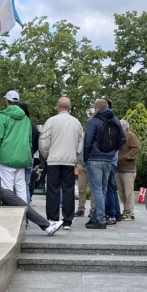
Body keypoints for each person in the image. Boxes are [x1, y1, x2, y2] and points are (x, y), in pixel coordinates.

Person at [38, 97, 83, 230]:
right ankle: (67, 220)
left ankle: (53, 218)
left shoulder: (51, 121)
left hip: (53, 160)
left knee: (53, 190)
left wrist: (47, 155)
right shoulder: (76, 123)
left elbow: (44, 143)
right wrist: (75, 154)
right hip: (69, 161)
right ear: (70, 108)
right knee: (68, 190)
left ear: (57, 107)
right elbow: (81, 144)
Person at [83, 98, 126, 229]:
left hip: (94, 159)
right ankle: (96, 216)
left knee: (96, 190)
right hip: (108, 160)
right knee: (103, 189)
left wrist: (86, 157)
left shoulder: (94, 121)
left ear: (96, 109)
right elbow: (122, 139)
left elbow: (87, 141)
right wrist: (112, 151)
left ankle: (100, 220)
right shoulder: (116, 121)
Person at [0, 90, 33, 201]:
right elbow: (29, 140)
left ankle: (9, 215)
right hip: (22, 157)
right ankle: (24, 214)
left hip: (6, 157)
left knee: (6, 188)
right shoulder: (26, 119)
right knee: (21, 187)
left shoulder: (1, 116)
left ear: (6, 101)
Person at [116, 120, 141, 220]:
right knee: (122, 194)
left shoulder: (130, 135)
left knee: (128, 192)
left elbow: (137, 148)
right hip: (119, 169)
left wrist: (127, 157)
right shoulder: (119, 136)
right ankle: (126, 211)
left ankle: (129, 213)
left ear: (125, 127)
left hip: (128, 169)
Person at [17, 102, 39, 203]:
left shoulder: (18, 126)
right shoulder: (33, 127)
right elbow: (36, 145)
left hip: (18, 157)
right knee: (26, 185)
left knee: (16, 184)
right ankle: (27, 206)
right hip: (29, 157)